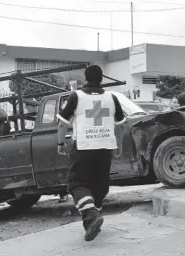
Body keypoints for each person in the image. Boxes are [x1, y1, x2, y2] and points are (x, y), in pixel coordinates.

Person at [56, 65, 126, 241]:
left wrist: (60, 142)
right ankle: (93, 219)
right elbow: (120, 125)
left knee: (76, 183)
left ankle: (91, 214)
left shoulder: (76, 96)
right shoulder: (112, 97)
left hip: (84, 147)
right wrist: (118, 145)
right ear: (102, 79)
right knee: (99, 184)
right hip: (105, 148)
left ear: (85, 78)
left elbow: (63, 123)